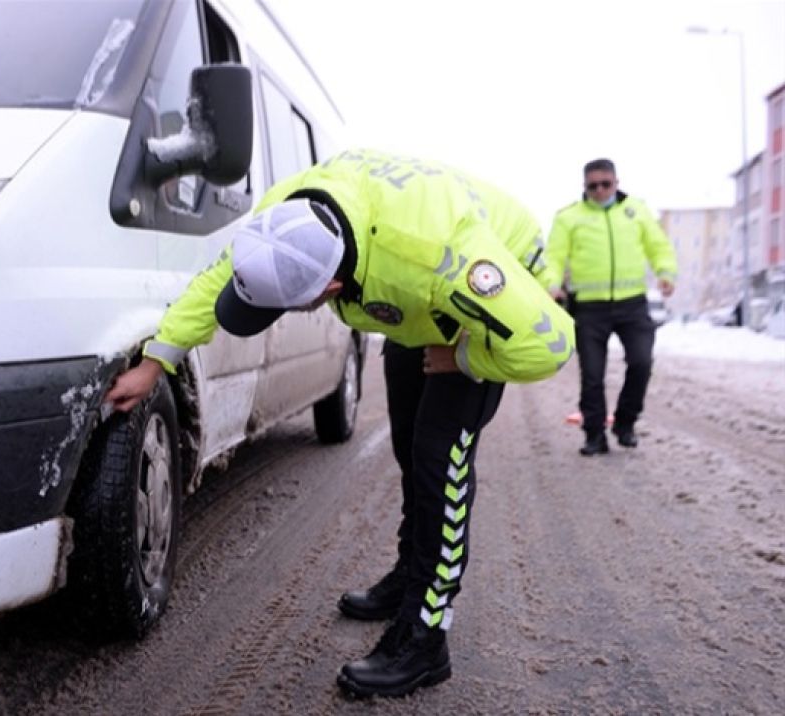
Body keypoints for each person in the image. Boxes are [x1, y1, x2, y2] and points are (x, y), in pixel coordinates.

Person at [104, 148, 575, 699]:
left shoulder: (439, 259)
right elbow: (218, 284)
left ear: (329, 292)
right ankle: (410, 577)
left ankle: (427, 638)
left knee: (437, 461)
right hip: (406, 289)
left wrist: (467, 357)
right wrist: (157, 359)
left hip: (484, 294)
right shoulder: (288, 218)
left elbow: (551, 343)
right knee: (407, 442)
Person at [545, 158, 677, 456]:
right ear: (585, 186)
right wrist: (551, 285)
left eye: (606, 184)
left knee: (641, 363)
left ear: (617, 183)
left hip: (632, 305)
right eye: (593, 186)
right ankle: (594, 435)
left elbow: (658, 246)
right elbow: (554, 256)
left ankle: (625, 423)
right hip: (590, 309)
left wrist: (666, 273)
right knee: (592, 375)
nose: (600, 190)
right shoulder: (569, 217)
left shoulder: (636, 211)